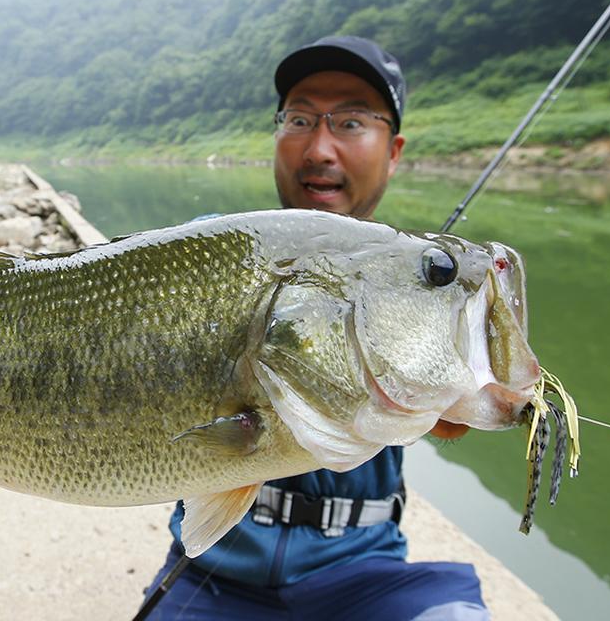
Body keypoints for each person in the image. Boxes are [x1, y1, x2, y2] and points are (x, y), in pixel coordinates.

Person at [137, 36, 489, 621]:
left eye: (351, 121)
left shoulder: (427, 287)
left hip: (364, 575)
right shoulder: (201, 254)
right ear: (276, 135)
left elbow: (484, 390)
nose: (320, 147)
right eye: (300, 118)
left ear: (393, 150)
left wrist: (477, 395)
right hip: (210, 574)